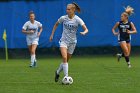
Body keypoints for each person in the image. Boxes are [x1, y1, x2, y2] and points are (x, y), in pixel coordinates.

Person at [49, 2, 88, 82]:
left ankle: (57, 72)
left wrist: (84, 32)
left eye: (69, 9)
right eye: (67, 9)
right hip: (63, 41)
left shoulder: (77, 19)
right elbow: (56, 24)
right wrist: (52, 35)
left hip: (73, 42)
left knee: (65, 61)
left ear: (73, 10)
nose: (67, 10)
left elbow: (86, 29)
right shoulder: (63, 18)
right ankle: (66, 77)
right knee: (64, 57)